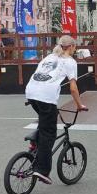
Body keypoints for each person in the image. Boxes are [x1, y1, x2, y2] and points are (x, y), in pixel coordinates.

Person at [25, 35, 87, 185]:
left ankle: (34, 142)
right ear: (71, 47)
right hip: (46, 97)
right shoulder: (70, 61)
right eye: (74, 47)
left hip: (31, 93)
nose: (75, 50)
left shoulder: (49, 57)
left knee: (44, 121)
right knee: (49, 133)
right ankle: (42, 170)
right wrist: (79, 105)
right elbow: (73, 88)